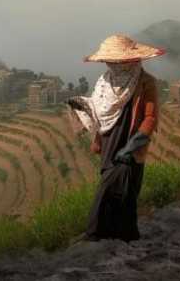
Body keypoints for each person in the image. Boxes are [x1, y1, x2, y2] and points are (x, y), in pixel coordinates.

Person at [67, 34, 165, 242]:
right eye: (110, 61)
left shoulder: (146, 82)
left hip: (130, 145)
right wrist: (82, 108)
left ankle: (96, 234)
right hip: (109, 142)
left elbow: (150, 117)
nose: (114, 65)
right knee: (115, 189)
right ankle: (119, 236)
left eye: (118, 61)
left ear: (132, 60)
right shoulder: (104, 82)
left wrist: (131, 148)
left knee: (117, 189)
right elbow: (99, 110)